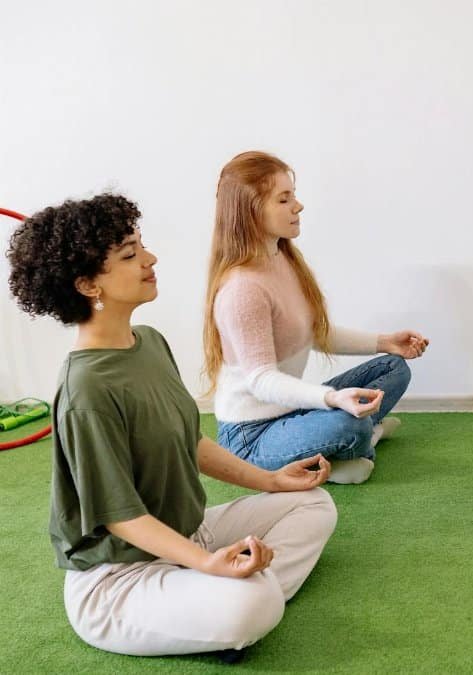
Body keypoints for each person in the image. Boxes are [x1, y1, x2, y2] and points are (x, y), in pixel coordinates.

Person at [6, 193, 337, 658]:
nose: (150, 258)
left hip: (188, 533)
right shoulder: (86, 390)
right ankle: (229, 599)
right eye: (130, 254)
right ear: (87, 285)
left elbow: (189, 440)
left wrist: (271, 481)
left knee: (313, 504)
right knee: (255, 602)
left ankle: (215, 598)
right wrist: (207, 563)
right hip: (120, 579)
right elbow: (120, 517)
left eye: (142, 245)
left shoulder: (150, 343)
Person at [204, 151, 429, 484]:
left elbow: (313, 332)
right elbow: (262, 381)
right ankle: (362, 439)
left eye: (293, 196)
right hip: (252, 436)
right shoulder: (242, 290)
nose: (298, 206)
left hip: (293, 410)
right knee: (347, 422)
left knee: (392, 368)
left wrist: (385, 343)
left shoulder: (282, 259)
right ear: (252, 210)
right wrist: (330, 399)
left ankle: (357, 441)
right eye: (284, 199)